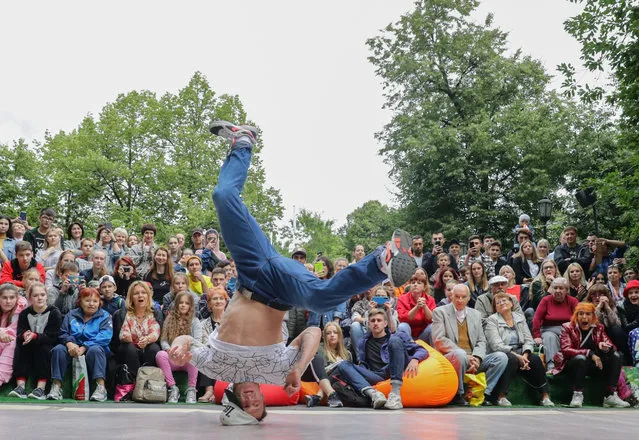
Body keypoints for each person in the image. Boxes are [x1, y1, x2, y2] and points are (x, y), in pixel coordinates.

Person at [168, 122, 415, 424]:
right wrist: (297, 369)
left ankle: (242, 141)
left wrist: (177, 351)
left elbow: (184, 341)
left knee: (222, 197)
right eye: (256, 406)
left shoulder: (216, 368)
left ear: (231, 399)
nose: (251, 401)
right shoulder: (275, 374)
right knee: (321, 300)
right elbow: (312, 332)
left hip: (250, 273)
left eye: (244, 404)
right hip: (278, 291)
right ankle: (381, 259)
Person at [333, 308, 428, 410]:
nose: (376, 323)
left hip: (392, 369)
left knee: (394, 340)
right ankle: (374, 395)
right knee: (343, 364)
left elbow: (422, 350)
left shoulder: (396, 337)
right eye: (373, 321)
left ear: (385, 323)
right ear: (368, 324)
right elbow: (363, 363)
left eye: (379, 320)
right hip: (375, 375)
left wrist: (415, 359)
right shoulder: (363, 341)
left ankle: (395, 395)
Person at [431, 284, 509, 406]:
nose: (460, 300)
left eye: (463, 297)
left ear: (468, 298)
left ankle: (482, 393)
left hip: (472, 357)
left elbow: (481, 341)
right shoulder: (439, 312)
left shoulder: (476, 314)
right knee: (460, 354)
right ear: (451, 296)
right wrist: (466, 356)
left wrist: (477, 358)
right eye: (457, 297)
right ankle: (459, 394)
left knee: (501, 357)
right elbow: (439, 339)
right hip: (450, 358)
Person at [551, 302, 630, 408]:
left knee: (616, 355)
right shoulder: (567, 327)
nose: (584, 317)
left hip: (593, 364)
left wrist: (604, 347)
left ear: (593, 316)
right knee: (581, 359)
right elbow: (566, 350)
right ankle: (577, 395)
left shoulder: (599, 328)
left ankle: (610, 396)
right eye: (581, 314)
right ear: (576, 315)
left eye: (588, 314)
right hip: (572, 363)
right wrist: (590, 353)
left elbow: (612, 347)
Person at [484, 292, 554, 406]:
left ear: (511, 303)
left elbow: (528, 339)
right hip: (502, 352)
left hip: (521, 351)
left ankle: (545, 396)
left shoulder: (519, 317)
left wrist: (525, 355)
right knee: (511, 359)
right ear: (495, 308)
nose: (502, 303)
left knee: (535, 359)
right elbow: (496, 345)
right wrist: (519, 357)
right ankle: (501, 396)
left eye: (504, 300)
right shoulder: (492, 320)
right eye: (498, 302)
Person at [47, 287, 113, 401]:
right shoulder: (71, 315)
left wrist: (85, 347)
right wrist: (69, 343)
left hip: (94, 348)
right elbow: (63, 333)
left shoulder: (105, 316)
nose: (91, 304)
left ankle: (101, 388)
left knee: (95, 350)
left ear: (99, 303)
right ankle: (56, 387)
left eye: (95, 301)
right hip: (73, 346)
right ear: (80, 302)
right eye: (87, 300)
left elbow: (105, 336)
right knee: (58, 349)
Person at [9, 282, 62, 399]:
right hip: (30, 343)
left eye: (42, 295)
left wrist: (35, 336)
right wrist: (25, 335)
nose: (39, 298)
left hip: (47, 345)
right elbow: (20, 332)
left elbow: (53, 336)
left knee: (42, 347)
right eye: (36, 295)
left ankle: (41, 388)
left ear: (47, 296)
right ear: (30, 298)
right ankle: (20, 387)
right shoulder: (25, 313)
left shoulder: (54, 312)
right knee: (21, 345)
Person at [156, 292, 202, 403]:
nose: (183, 305)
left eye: (186, 303)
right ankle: (172, 388)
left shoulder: (195, 321)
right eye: (181, 302)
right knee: (160, 355)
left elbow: (198, 341)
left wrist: (186, 348)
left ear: (191, 306)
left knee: (195, 354)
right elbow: (163, 339)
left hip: (187, 358)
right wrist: (168, 349)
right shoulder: (169, 319)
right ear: (176, 304)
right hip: (173, 356)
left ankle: (191, 390)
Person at [111, 281, 162, 381]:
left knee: (154, 348)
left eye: (143, 293)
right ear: (131, 297)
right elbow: (121, 335)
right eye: (136, 293)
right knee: (129, 348)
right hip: (127, 349)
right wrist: (127, 338)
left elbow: (156, 332)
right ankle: (133, 380)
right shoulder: (122, 314)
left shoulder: (155, 313)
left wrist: (147, 339)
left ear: (148, 296)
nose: (140, 296)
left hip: (147, 347)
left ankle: (147, 381)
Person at [532, 277, 579, 372]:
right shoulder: (546, 300)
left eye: (561, 288)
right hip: (548, 329)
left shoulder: (573, 301)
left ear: (566, 290)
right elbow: (537, 319)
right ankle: (552, 366)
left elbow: (579, 319)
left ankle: (568, 365)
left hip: (567, 330)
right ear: (551, 289)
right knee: (549, 337)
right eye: (555, 288)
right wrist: (536, 336)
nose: (558, 291)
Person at [198, 286, 229, 403]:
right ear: (209, 304)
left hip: (228, 353)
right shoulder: (203, 324)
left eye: (222, 298)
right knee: (205, 354)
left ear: (226, 302)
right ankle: (209, 390)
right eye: (215, 299)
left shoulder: (232, 322)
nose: (218, 301)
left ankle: (219, 391)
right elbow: (204, 342)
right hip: (211, 353)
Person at [350, 285, 398, 359]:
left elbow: (393, 330)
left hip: (387, 338)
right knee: (355, 325)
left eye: (383, 296)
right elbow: (369, 329)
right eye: (378, 296)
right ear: (374, 298)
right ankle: (360, 359)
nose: (380, 298)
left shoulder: (392, 312)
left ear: (387, 298)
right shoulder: (368, 311)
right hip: (372, 338)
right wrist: (370, 311)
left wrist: (388, 312)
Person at [0, 283, 28, 387]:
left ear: (17, 298)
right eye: (4, 298)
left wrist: (2, 333)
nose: (8, 301)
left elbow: (13, 333)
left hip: (12, 342)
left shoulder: (20, 309)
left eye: (12, 298)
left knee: (11, 342)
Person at [397, 271, 436, 343]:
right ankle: (411, 347)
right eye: (413, 283)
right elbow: (402, 318)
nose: (415, 285)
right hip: (408, 334)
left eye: (419, 283)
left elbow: (432, 319)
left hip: (424, 334)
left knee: (433, 327)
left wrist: (424, 306)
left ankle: (435, 352)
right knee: (402, 326)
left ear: (424, 287)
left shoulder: (430, 299)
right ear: (410, 285)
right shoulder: (402, 299)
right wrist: (417, 307)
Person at [622, 280, 639, 365]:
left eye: (636, 292)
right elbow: (627, 327)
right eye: (630, 293)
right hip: (631, 334)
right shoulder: (622, 306)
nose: (633, 295)